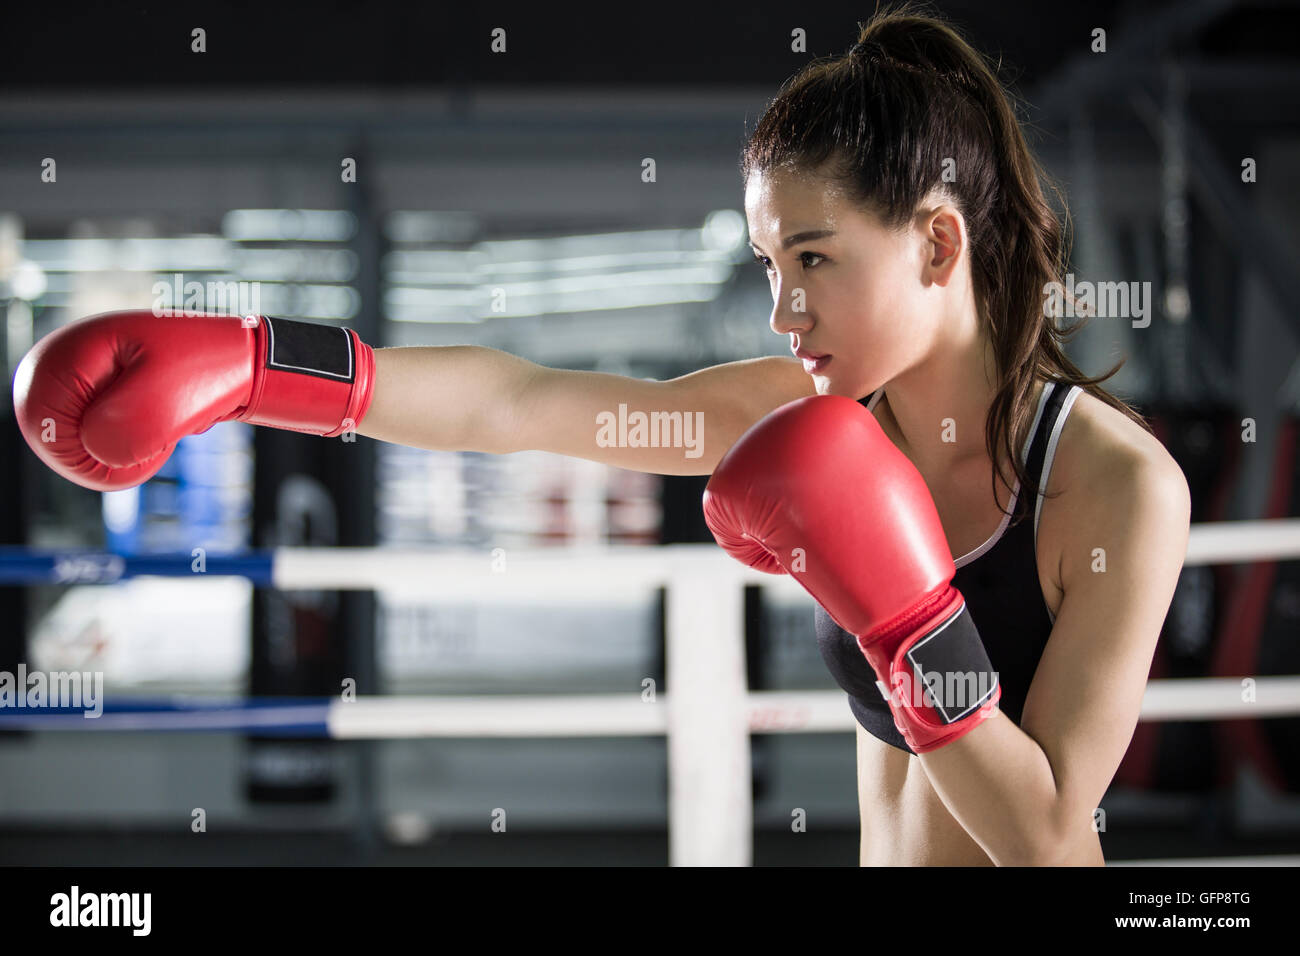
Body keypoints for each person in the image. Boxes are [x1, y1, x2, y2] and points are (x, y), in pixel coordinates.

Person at [13, 7, 1190, 866]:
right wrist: (258, 367)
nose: (784, 310)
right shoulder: (816, 413)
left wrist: (906, 617)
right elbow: (522, 403)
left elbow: (1046, 839)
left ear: (937, 247)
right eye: (770, 265)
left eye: (815, 259)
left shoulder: (1112, 489)